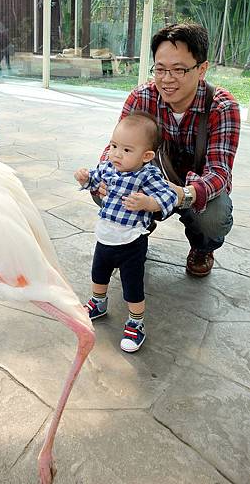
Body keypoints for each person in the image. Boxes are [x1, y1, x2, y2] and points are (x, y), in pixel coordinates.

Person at [96, 23, 241, 278]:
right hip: (150, 181)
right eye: (160, 69)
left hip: (193, 190)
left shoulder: (221, 107)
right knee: (106, 189)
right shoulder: (142, 98)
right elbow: (115, 147)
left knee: (213, 217)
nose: (166, 79)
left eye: (179, 70)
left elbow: (220, 173)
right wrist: (104, 175)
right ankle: (135, 232)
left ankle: (202, 248)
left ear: (202, 69)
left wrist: (184, 194)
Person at [75, 112, 177, 352]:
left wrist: (148, 203)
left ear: (147, 156)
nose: (116, 154)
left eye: (127, 150)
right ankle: (98, 303)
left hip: (131, 241)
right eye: (114, 145)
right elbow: (93, 181)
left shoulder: (148, 174)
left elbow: (169, 196)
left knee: (132, 286)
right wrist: (85, 178)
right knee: (98, 274)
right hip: (106, 236)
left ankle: (135, 323)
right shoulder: (109, 167)